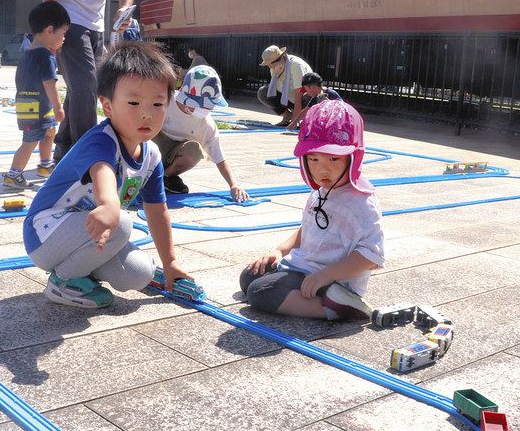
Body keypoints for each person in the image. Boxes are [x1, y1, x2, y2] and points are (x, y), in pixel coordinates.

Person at [23, 41, 191, 309]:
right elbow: (103, 174)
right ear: (108, 105)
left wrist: (170, 262)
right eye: (134, 102)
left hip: (91, 230)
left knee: (139, 274)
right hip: (45, 233)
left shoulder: (152, 156)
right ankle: (63, 281)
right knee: (121, 222)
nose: (146, 113)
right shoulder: (101, 141)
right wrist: (110, 205)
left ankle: (82, 269)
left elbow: (157, 211)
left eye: (158, 104)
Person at [240, 99, 384, 321]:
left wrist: (326, 275)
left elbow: (370, 256)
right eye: (313, 159)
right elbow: (307, 229)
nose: (322, 169)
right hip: (304, 268)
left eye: (334, 159)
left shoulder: (361, 203)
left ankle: (341, 307)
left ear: (354, 157)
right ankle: (304, 296)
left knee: (260, 293)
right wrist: (279, 252)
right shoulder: (322, 191)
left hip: (334, 282)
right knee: (249, 277)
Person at [41, 0, 139, 163]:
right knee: (87, 84)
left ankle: (64, 146)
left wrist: (124, 6)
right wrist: (51, 30)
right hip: (67, 18)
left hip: (96, 21)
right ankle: (88, 159)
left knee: (82, 86)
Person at [151, 65, 249, 201]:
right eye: (201, 105)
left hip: (173, 156)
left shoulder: (206, 124)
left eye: (209, 106)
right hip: (151, 147)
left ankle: (163, 178)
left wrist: (234, 185)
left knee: (194, 151)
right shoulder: (165, 101)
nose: (205, 109)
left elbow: (220, 158)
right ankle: (143, 172)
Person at [3, 1, 70, 190]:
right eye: (63, 33)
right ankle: (13, 174)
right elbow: (50, 83)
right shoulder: (46, 57)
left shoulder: (27, 54)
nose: (64, 38)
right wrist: (58, 107)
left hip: (29, 104)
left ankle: (45, 165)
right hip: (38, 107)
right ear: (50, 30)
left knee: (50, 132)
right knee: (30, 141)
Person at [257, 45, 312, 127]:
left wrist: (294, 121)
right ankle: (287, 115)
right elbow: (276, 87)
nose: (271, 67)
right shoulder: (274, 67)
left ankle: (300, 117)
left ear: (282, 57)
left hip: (303, 99)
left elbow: (300, 92)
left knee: (308, 96)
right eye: (269, 65)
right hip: (288, 99)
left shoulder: (295, 65)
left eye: (272, 64)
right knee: (263, 92)